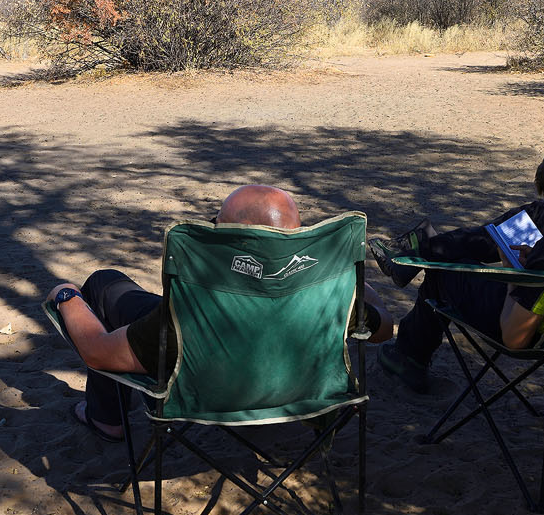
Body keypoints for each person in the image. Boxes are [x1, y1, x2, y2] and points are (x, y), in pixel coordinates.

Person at [47, 185, 394, 442]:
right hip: (300, 395)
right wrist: (348, 280)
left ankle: (107, 419)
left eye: (216, 223)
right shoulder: (326, 302)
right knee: (118, 291)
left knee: (104, 283)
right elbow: (383, 328)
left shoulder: (184, 319)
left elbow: (97, 351)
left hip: (202, 363)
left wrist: (66, 296)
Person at [371, 143, 544, 394]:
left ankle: (408, 358)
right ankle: (424, 248)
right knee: (539, 214)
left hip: (542, 325)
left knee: (444, 271)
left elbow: (514, 338)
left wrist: (516, 276)